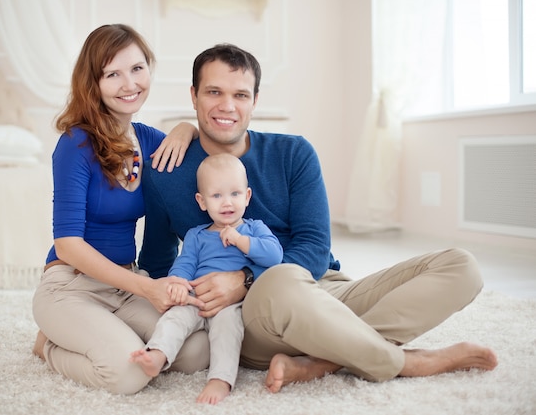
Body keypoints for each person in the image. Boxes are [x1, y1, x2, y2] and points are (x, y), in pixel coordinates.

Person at [138, 43, 498, 393]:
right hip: (251, 316)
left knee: (461, 266)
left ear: (255, 100)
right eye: (214, 91)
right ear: (194, 96)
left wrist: (243, 278)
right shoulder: (168, 170)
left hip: (323, 285)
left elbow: (314, 247)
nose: (227, 106)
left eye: (241, 95)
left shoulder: (293, 152)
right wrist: (195, 297)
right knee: (280, 280)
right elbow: (158, 263)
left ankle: (320, 363)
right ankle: (405, 363)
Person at [31, 24, 210, 395]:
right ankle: (47, 344)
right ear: (92, 83)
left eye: (137, 69)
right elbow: (67, 244)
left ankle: (102, 331)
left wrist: (185, 128)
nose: (129, 83)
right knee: (128, 375)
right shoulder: (75, 143)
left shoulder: (147, 140)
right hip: (71, 285)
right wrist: (148, 287)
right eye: (113, 74)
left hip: (123, 285)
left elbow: (197, 158)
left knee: (196, 352)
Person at [130, 153, 283, 404]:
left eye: (235, 194)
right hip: (197, 299)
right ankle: (157, 354)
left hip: (231, 304)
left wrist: (240, 241)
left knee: (227, 330)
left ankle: (220, 380)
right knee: (174, 317)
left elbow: (275, 256)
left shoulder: (254, 229)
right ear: (202, 202)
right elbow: (185, 264)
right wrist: (178, 283)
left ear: (247, 196)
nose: (227, 203)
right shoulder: (196, 235)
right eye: (217, 196)